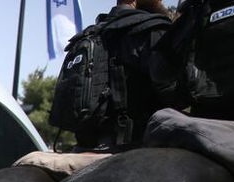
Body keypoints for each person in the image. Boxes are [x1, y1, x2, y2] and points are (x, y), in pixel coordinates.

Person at [52, 0, 172, 152]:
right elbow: (174, 94)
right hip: (137, 148)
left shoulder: (87, 36)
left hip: (83, 147)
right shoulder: (153, 30)